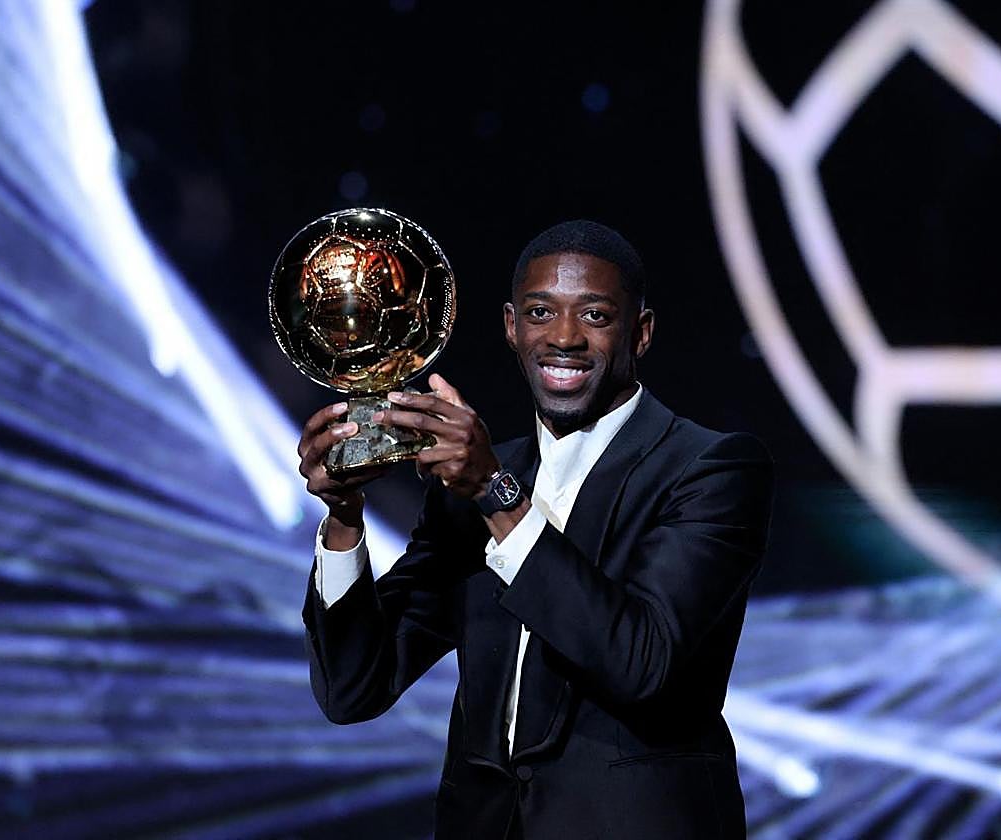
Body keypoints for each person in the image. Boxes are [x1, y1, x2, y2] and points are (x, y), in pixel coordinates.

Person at [298, 220, 773, 839]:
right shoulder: (468, 487)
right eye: (541, 313)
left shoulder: (710, 468)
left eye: (596, 316)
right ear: (511, 327)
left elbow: (643, 661)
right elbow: (353, 689)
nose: (565, 339)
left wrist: (497, 496)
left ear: (642, 332)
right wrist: (343, 517)